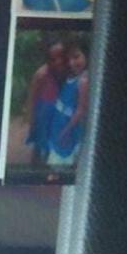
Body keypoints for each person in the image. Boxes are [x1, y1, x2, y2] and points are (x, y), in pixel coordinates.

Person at [47, 37, 89, 165]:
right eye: (69, 59)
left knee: (61, 163)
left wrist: (66, 132)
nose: (72, 63)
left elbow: (81, 110)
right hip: (59, 124)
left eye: (76, 57)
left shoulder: (83, 80)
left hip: (68, 128)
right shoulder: (71, 77)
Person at [24, 40, 68, 165]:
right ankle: (35, 166)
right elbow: (32, 96)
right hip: (43, 112)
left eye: (61, 57)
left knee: (52, 140)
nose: (58, 61)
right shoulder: (41, 74)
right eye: (53, 59)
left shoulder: (65, 72)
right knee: (39, 141)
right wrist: (31, 117)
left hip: (57, 111)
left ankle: (47, 164)